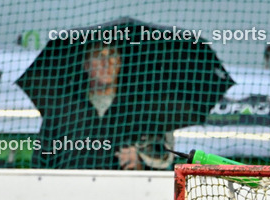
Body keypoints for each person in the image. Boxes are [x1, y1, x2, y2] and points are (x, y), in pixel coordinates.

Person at [32, 43, 174, 171]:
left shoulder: (142, 110)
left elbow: (165, 156)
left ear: (119, 62)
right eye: (98, 55)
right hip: (71, 194)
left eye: (112, 54)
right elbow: (40, 160)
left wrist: (140, 159)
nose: (107, 62)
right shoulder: (62, 110)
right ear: (86, 65)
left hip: (124, 195)